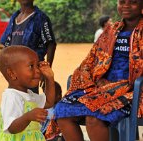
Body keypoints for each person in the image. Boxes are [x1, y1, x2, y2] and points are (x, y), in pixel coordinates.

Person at [55, 0, 143, 141]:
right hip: (101, 88)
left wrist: (123, 86)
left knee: (93, 118)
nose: (126, 5)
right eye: (122, 2)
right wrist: (86, 78)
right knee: (62, 111)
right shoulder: (111, 30)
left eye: (132, 2)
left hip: (132, 91)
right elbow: (92, 60)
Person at [0, 0, 56, 93]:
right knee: (15, 101)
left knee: (30, 102)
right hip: (14, 75)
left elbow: (51, 43)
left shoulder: (40, 18)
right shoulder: (14, 18)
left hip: (30, 72)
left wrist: (47, 71)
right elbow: (6, 49)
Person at [0, 46, 55, 141]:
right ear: (12, 73)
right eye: (31, 66)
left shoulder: (28, 94)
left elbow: (49, 102)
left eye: (37, 65)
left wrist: (49, 78)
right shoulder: (11, 96)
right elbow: (11, 128)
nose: (38, 70)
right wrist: (28, 117)